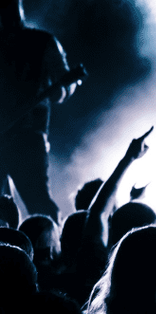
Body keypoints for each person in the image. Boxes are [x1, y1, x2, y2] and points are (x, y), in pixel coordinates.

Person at [0, 0, 79, 221]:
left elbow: (65, 83)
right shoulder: (41, 41)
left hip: (27, 136)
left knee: (39, 203)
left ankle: (50, 250)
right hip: (18, 135)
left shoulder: (41, 42)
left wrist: (60, 91)